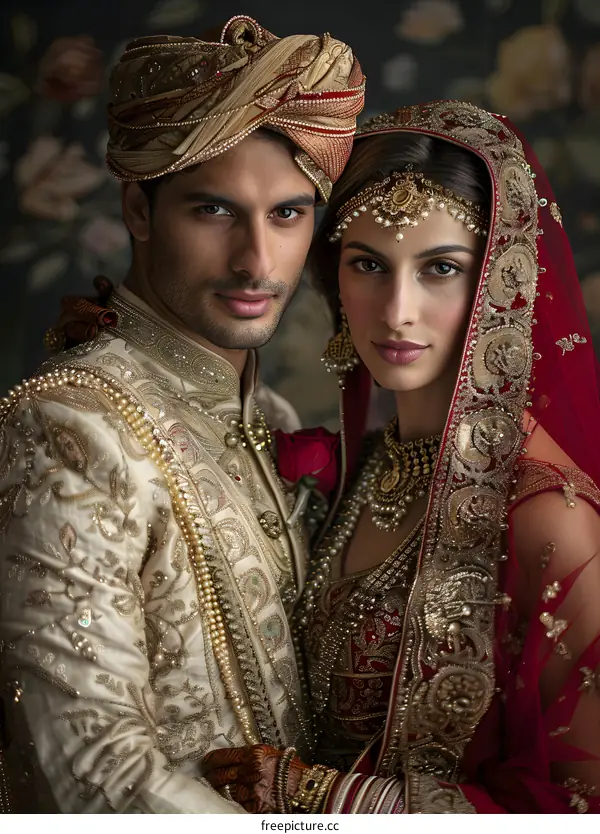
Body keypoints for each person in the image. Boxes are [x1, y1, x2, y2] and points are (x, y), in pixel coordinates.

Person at [0, 16, 364, 813]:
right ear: (139, 210)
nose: (256, 263)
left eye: (288, 214)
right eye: (213, 211)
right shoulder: (71, 425)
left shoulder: (267, 412)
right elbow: (96, 773)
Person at [202, 100, 600, 813]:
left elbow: (580, 810)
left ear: (502, 282)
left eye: (441, 267)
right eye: (368, 265)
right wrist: (135, 342)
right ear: (333, 277)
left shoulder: (549, 520)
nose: (396, 310)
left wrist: (328, 801)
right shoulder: (364, 467)